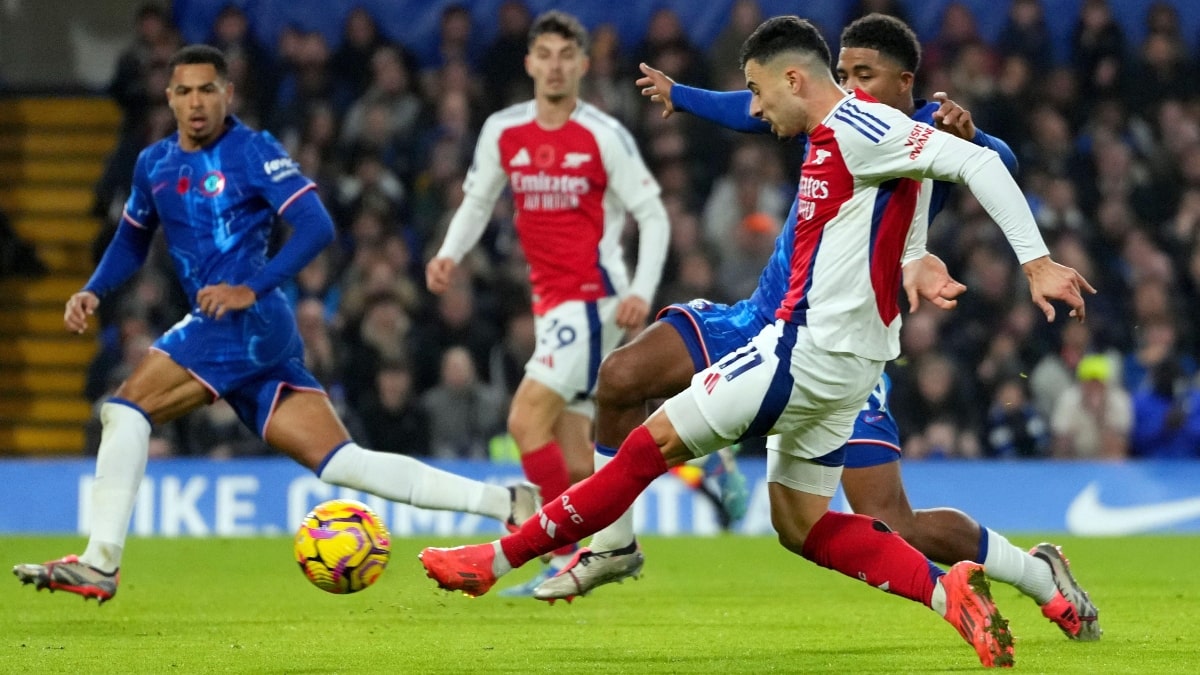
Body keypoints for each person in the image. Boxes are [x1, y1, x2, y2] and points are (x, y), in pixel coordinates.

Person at [420, 16, 1095, 668]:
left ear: (799, 80)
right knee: (797, 522)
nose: (757, 109)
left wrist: (1034, 261)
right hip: (832, 360)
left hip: (796, 351)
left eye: (760, 89)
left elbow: (985, 162)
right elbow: (891, 194)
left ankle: (497, 557)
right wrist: (683, 97)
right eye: (847, 72)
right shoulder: (846, 132)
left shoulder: (867, 129)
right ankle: (950, 591)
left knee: (642, 455)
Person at [11, 45, 540, 605]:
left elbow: (316, 226)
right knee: (344, 464)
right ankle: (509, 503)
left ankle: (100, 562)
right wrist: (94, 288)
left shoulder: (252, 151)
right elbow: (132, 238)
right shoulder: (154, 165)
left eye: (207, 90)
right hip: (241, 332)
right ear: (169, 97)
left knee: (125, 409)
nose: (196, 102)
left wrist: (251, 287)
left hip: (245, 319)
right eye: (184, 91)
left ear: (227, 94)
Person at [425, 11, 669, 596]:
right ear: (530, 62)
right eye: (546, 55)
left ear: (582, 65)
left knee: (523, 419)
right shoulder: (504, 130)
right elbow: (478, 200)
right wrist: (449, 252)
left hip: (591, 300)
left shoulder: (603, 135)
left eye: (567, 56)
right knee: (577, 457)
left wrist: (640, 290)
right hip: (552, 305)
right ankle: (617, 541)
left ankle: (560, 549)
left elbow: (653, 213)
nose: (556, 66)